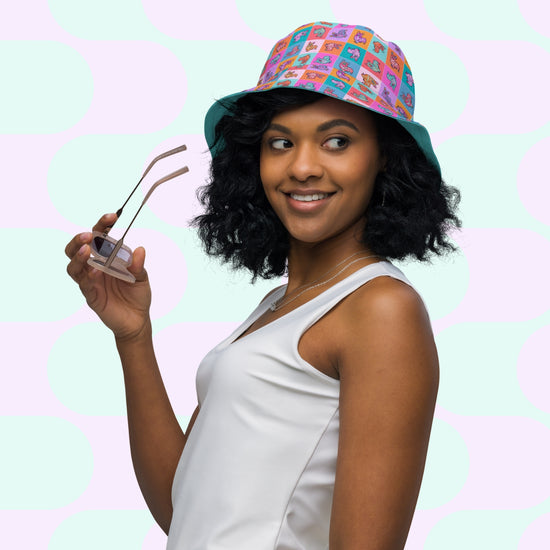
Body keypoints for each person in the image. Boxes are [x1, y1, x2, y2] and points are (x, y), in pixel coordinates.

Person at [66, 22, 460, 550]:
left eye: (337, 141)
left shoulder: (382, 309)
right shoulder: (277, 306)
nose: (301, 167)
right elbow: (183, 510)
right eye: (281, 142)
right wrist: (134, 336)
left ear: (384, 156)